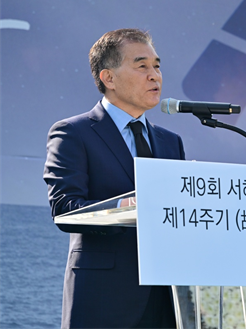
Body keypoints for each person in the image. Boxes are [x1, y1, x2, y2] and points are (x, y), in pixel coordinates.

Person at [44, 28, 185, 329]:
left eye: (157, 66)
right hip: (103, 298)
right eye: (142, 66)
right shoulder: (73, 133)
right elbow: (65, 209)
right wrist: (126, 207)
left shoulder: (171, 142)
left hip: (166, 300)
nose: (155, 75)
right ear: (108, 78)